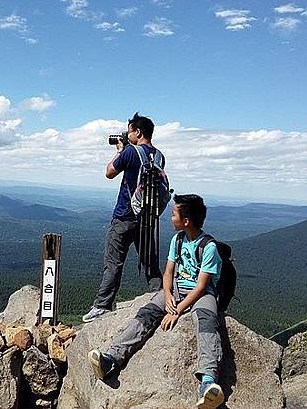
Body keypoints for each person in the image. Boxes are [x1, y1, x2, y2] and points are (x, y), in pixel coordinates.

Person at [87, 194, 225, 409]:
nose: (170, 218)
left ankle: (208, 381)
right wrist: (168, 295)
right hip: (176, 289)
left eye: (174, 214)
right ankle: (111, 358)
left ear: (186, 221)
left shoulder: (209, 247)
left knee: (206, 322)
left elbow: (200, 286)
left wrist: (176, 310)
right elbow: (169, 272)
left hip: (203, 294)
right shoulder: (178, 240)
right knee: (147, 313)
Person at [82, 113, 166, 323]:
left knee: (113, 263)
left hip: (124, 217)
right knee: (150, 263)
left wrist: (119, 151)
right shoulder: (159, 156)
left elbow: (109, 172)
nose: (127, 134)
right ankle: (161, 297)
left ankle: (102, 305)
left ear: (138, 132)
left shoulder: (130, 152)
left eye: (129, 130)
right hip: (147, 218)